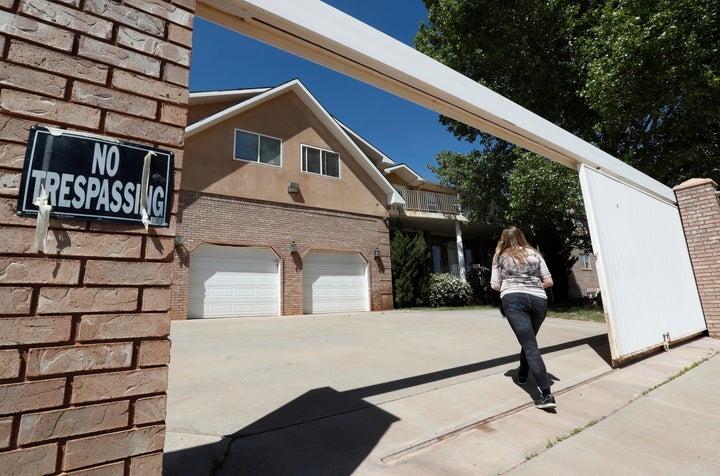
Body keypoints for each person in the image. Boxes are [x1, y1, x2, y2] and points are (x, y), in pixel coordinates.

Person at [490, 226, 556, 409]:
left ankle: (547, 395)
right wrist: (532, 286)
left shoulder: (500, 255)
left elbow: (495, 285)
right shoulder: (535, 253)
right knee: (529, 341)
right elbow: (549, 281)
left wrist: (511, 285)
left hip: (513, 300)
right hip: (539, 301)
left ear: (503, 239)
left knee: (529, 345)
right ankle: (523, 374)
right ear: (521, 236)